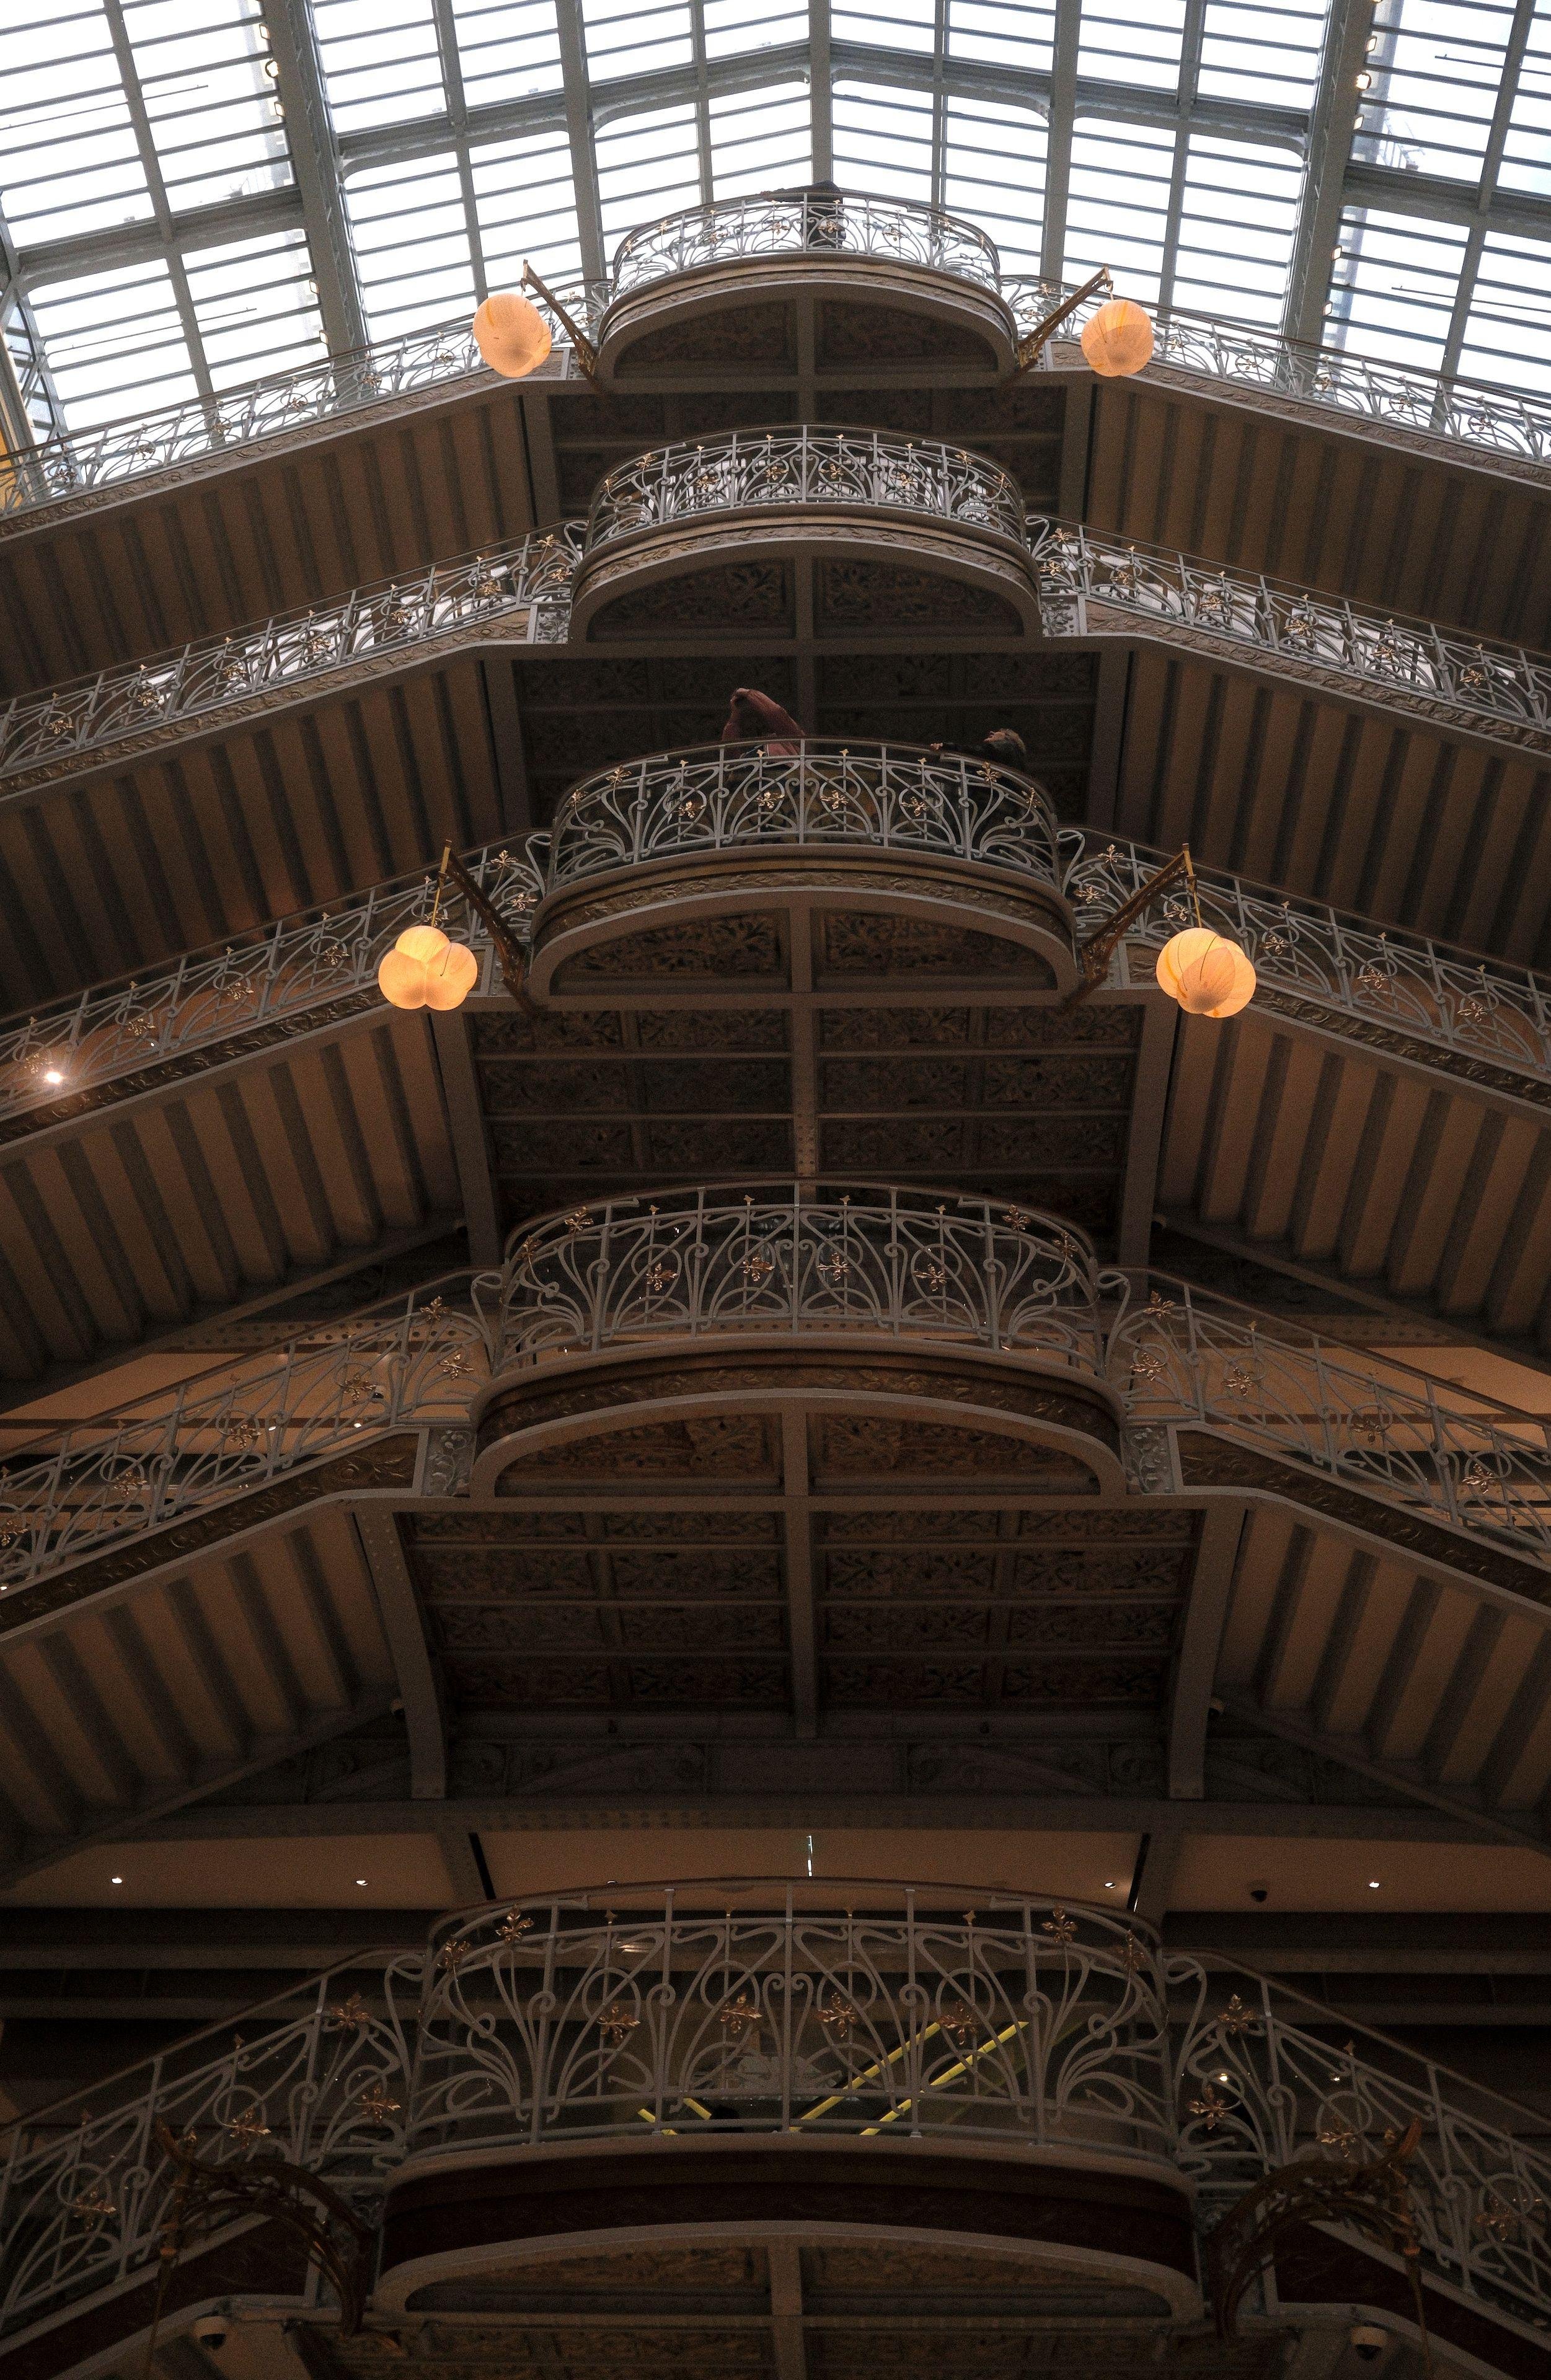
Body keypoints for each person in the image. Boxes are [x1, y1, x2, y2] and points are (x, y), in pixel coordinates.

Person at [720, 687, 808, 757]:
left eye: (757, 714)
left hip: (786, 777)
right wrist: (735, 716)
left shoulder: (788, 738)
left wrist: (748, 693)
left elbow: (775, 713)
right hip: (752, 778)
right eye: (749, 716)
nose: (754, 720)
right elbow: (728, 749)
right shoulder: (746, 754)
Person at [929, 728, 1029, 772]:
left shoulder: (1007, 746)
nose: (992, 732)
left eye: (999, 732)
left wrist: (947, 747)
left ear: (1008, 737)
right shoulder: (1015, 758)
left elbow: (975, 752)